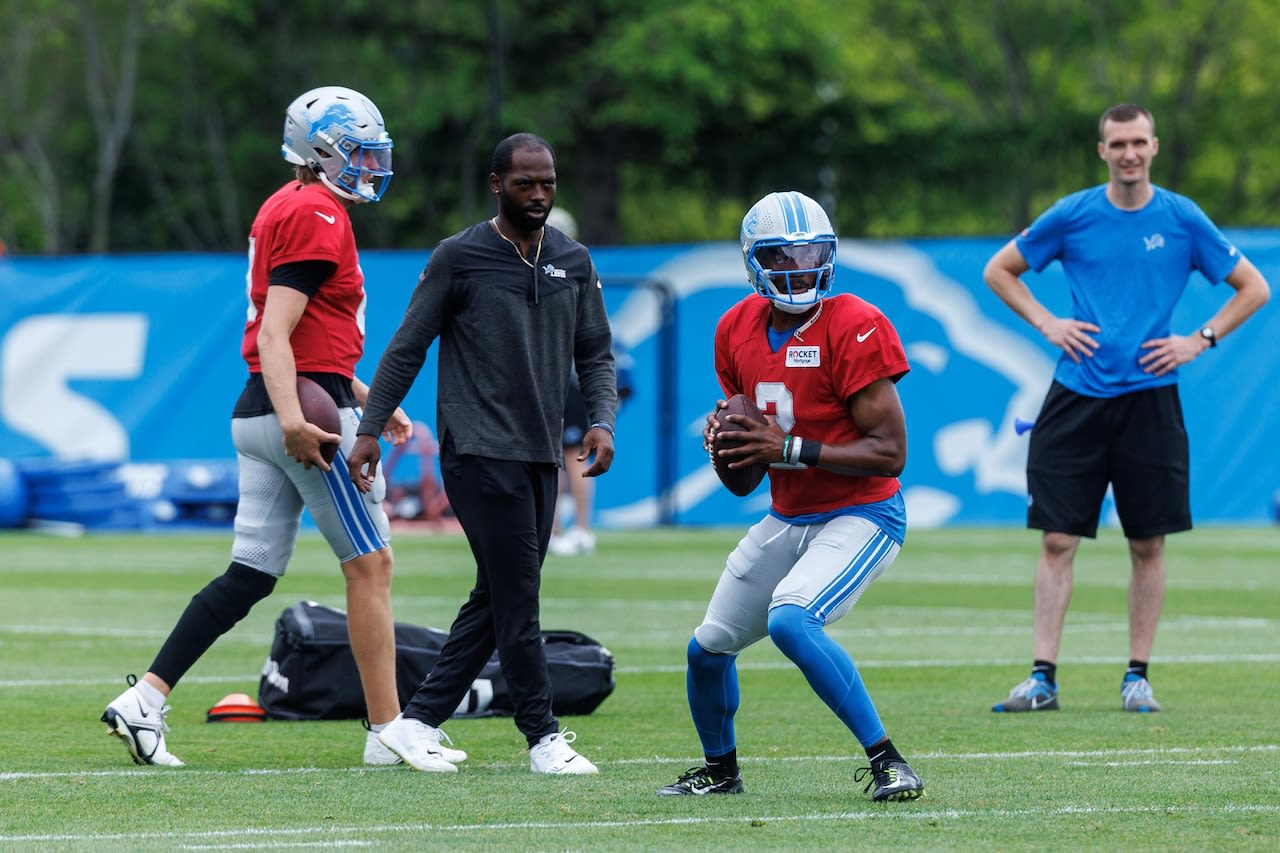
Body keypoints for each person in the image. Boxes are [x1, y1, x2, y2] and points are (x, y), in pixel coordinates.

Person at [98, 86, 447, 768]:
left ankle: (145, 697)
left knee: (251, 572)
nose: (371, 166)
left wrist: (367, 392)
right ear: (320, 150)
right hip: (297, 412)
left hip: (261, 405)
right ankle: (388, 728)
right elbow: (280, 331)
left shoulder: (284, 206)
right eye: (359, 152)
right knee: (370, 562)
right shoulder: (318, 211)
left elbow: (305, 335)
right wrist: (297, 419)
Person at [983, 102, 1270, 714]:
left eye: (1139, 142)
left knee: (1148, 542)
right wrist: (1048, 323)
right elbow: (999, 270)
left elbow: (1255, 288)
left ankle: (1137, 676)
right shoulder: (1074, 214)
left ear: (1155, 147)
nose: (1129, 153)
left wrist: (1200, 339)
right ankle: (1042, 680)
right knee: (1058, 539)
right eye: (1118, 144)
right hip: (1076, 397)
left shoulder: (1182, 218)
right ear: (1103, 151)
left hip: (1150, 401)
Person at [347, 132, 618, 774]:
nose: (539, 194)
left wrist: (602, 420)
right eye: (525, 183)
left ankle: (414, 722)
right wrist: (369, 429)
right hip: (475, 448)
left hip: (540, 452)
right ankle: (543, 738)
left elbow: (595, 353)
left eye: (547, 182)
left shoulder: (573, 261)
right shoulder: (460, 257)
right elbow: (408, 345)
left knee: (500, 593)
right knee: (519, 594)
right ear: (497, 185)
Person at [657, 191, 924, 802]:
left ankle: (889, 761)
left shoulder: (855, 321)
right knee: (707, 648)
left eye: (813, 254)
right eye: (783, 255)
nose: (800, 268)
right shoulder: (734, 329)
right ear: (754, 260)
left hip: (864, 511)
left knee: (792, 620)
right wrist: (729, 443)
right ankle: (720, 771)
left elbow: (891, 452)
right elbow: (746, 477)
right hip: (790, 512)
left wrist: (791, 448)